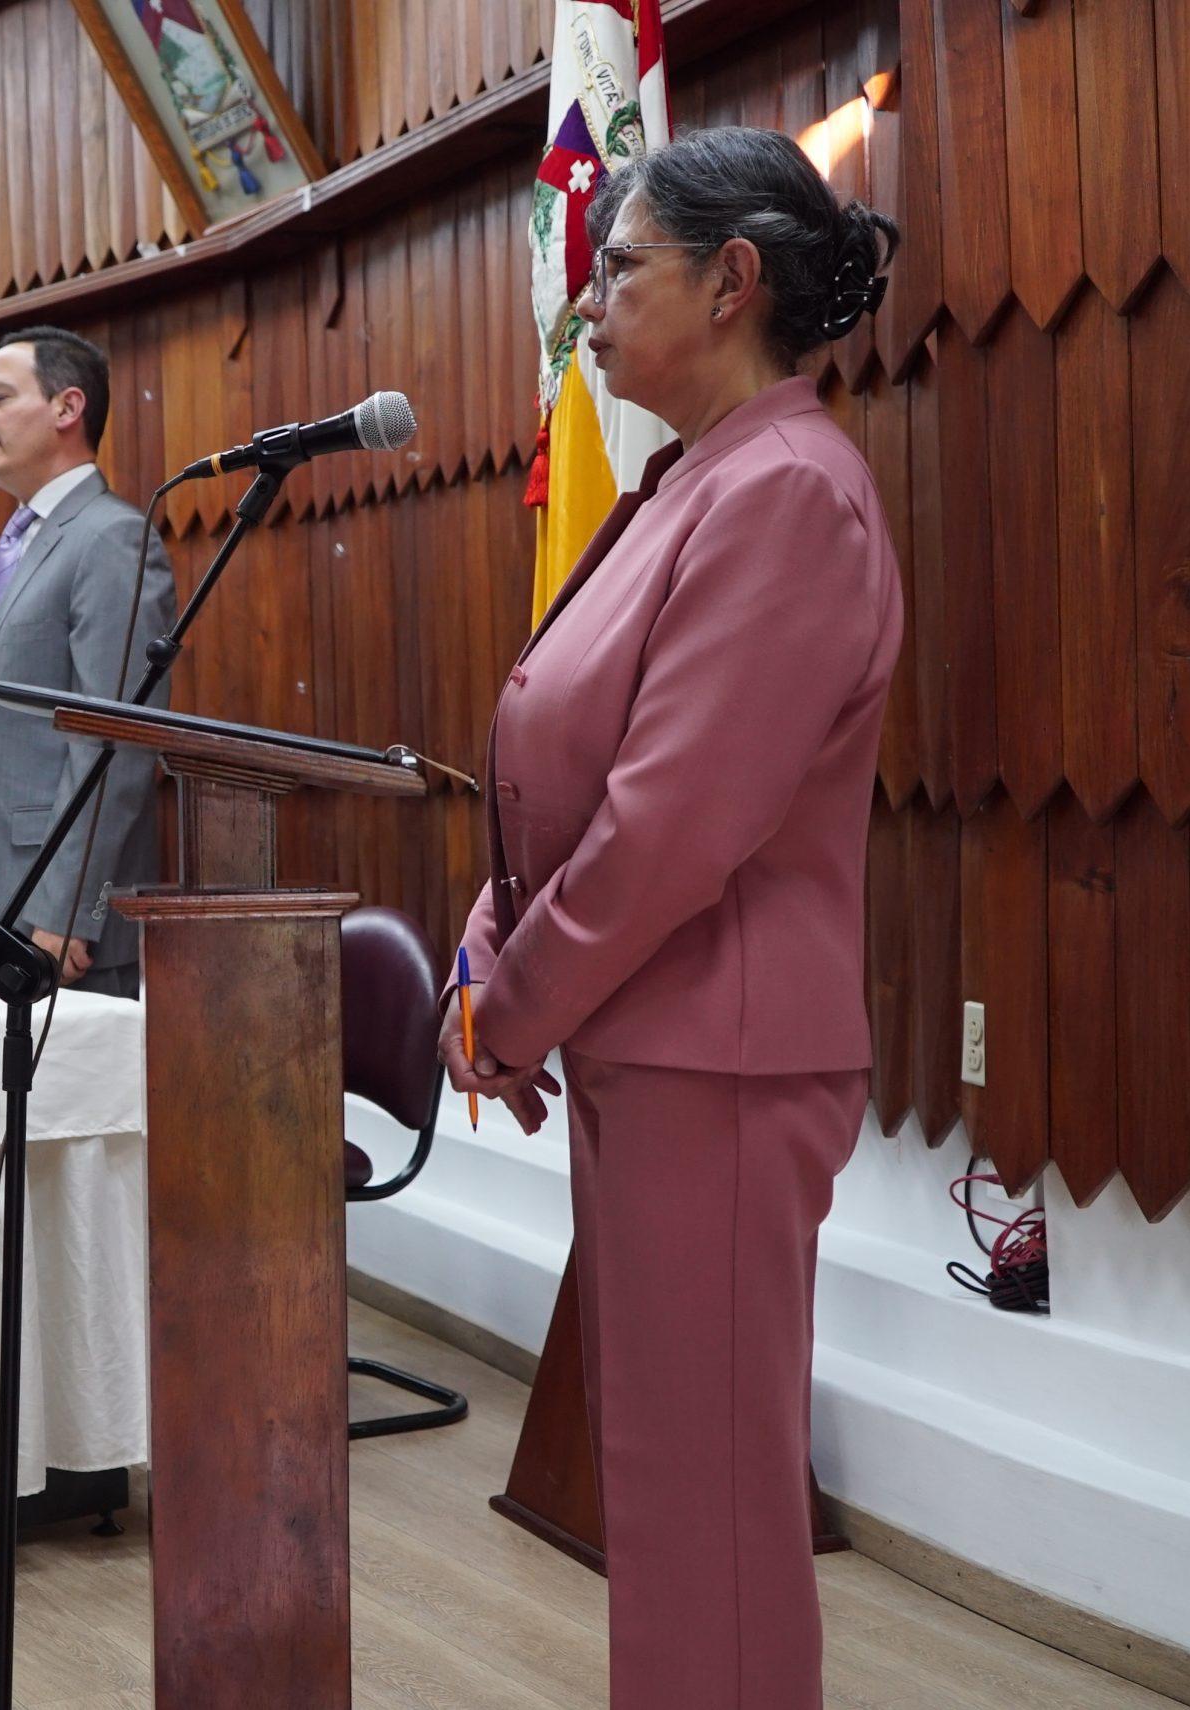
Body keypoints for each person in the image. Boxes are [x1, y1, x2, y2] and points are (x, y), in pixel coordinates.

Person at [440, 127, 901, 1710]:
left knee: (708, 1511)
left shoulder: (788, 494)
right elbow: (572, 768)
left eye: (619, 264)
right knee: (667, 1492)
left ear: (731, 282)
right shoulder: (697, 479)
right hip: (659, 1043)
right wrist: (488, 949)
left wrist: (513, 1007)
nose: (588, 300)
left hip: (721, 1057)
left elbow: (668, 828)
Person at [0, 325, 175, 997]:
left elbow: (114, 742)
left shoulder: (112, 537)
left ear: (67, 408)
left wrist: (68, 905)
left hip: (56, 922)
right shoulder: (12, 545)